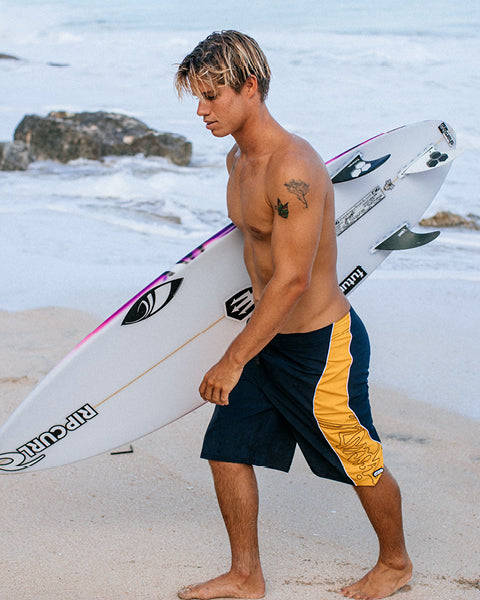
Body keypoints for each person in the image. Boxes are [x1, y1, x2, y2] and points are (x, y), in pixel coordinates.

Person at [174, 30, 412, 600]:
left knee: (357, 456)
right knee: (227, 450)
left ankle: (396, 564)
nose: (202, 111)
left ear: (249, 88)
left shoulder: (292, 168)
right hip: (268, 337)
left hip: (319, 344)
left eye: (213, 96)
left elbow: (292, 279)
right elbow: (249, 251)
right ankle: (245, 575)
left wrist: (232, 360)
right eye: (198, 98)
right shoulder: (238, 158)